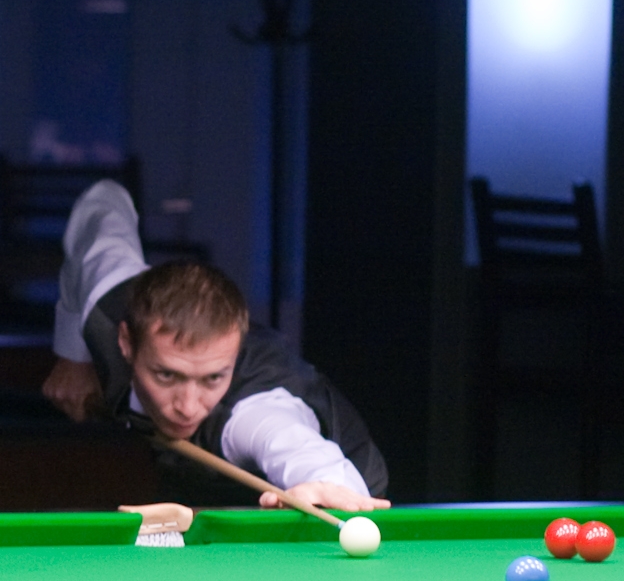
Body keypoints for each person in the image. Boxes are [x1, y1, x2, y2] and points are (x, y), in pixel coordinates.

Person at [41, 180, 390, 510]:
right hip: (194, 473)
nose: (188, 407)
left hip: (339, 496)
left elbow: (290, 443)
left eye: (212, 378)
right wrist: (72, 357)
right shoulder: (106, 308)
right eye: (166, 375)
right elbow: (103, 201)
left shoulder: (254, 411)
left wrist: (327, 485)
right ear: (126, 342)